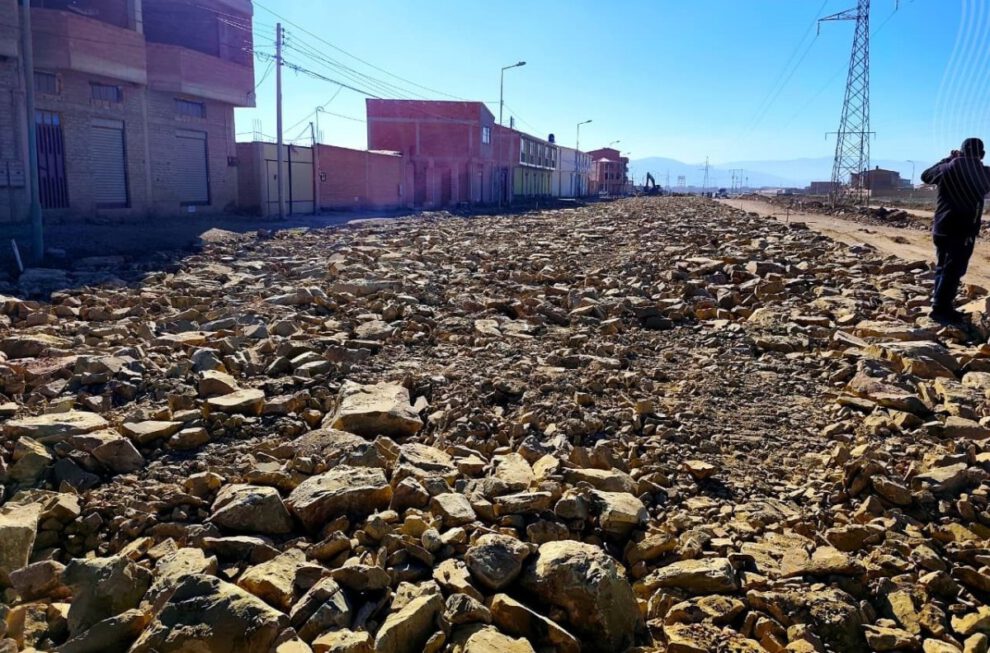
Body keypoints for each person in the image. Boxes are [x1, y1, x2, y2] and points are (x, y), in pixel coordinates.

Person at [921, 138, 990, 323]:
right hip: (964, 230)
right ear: (982, 155)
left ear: (960, 152)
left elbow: (925, 175)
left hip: (942, 227)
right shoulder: (983, 173)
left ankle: (940, 304)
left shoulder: (946, 169)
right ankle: (941, 309)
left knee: (944, 266)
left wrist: (946, 160)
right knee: (954, 270)